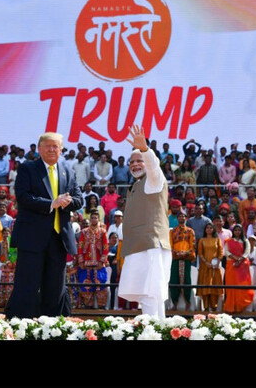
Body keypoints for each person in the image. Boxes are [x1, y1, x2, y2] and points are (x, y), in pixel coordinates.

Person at [4, 132, 83, 319]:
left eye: (56, 146)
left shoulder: (68, 171)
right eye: (48, 146)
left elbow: (79, 199)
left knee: (55, 287)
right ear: (39, 149)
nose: (52, 149)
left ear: (61, 150)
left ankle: (52, 327)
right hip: (32, 238)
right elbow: (23, 197)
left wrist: (66, 202)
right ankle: (21, 326)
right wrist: (50, 203)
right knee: (27, 284)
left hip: (58, 239)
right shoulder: (27, 169)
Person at [118, 125, 172, 319]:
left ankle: (152, 333)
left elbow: (153, 167)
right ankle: (158, 330)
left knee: (150, 293)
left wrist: (145, 150)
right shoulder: (136, 185)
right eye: (132, 162)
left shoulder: (153, 181)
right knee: (149, 295)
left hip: (151, 245)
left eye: (139, 160)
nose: (135, 164)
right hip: (139, 246)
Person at [76, 210, 109, 309]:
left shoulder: (102, 231)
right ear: (90, 219)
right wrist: (81, 261)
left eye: (96, 217)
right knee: (86, 287)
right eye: (92, 218)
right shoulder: (84, 231)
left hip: (99, 263)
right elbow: (80, 246)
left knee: (101, 286)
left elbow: (105, 247)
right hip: (86, 263)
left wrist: (102, 261)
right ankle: (88, 309)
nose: (94, 219)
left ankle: (101, 309)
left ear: (98, 219)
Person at [223, 224, 254, 313]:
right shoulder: (228, 241)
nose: (237, 232)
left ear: (241, 231)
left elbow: (246, 253)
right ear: (233, 231)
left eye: (239, 230)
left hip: (242, 267)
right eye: (235, 230)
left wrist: (239, 260)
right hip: (231, 266)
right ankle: (231, 307)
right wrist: (236, 259)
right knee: (231, 286)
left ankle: (241, 306)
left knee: (243, 286)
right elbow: (226, 252)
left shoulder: (245, 241)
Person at [169, 209, 196, 311]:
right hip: (176, 258)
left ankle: (187, 303)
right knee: (174, 280)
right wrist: (176, 252)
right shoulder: (173, 231)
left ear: (186, 218)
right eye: (180, 216)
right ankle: (174, 304)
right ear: (177, 218)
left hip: (186, 258)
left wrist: (185, 253)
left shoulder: (190, 231)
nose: (181, 218)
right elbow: (170, 245)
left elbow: (193, 245)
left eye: (183, 216)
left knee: (187, 281)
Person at [196, 222, 224, 311]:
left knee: (214, 286)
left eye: (210, 228)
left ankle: (214, 306)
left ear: (213, 229)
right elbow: (200, 254)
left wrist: (218, 262)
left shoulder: (217, 239)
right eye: (207, 228)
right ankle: (206, 307)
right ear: (205, 230)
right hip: (205, 267)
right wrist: (205, 262)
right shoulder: (202, 240)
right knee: (206, 286)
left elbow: (221, 252)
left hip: (215, 266)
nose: (209, 229)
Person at [0, 226, 17, 308]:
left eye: (7, 233)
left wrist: (11, 261)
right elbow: (0, 255)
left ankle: (10, 303)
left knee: (10, 285)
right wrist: (3, 261)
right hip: (4, 267)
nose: (6, 235)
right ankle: (2, 303)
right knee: (3, 284)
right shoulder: (0, 243)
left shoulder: (13, 243)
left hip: (12, 267)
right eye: (4, 233)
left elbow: (15, 254)